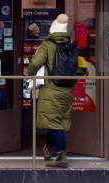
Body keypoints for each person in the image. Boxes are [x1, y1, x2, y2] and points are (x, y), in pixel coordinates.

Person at [27, 13, 74, 168]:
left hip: (51, 89)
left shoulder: (48, 45)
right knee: (54, 120)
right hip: (66, 90)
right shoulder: (71, 44)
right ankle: (48, 150)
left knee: (54, 123)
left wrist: (30, 73)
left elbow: (35, 63)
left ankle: (61, 156)